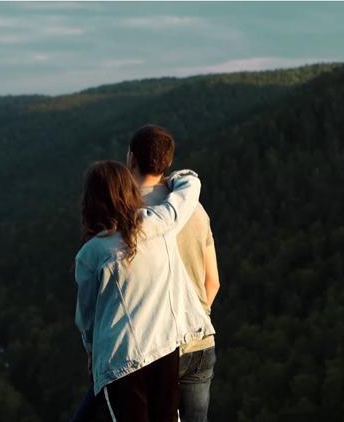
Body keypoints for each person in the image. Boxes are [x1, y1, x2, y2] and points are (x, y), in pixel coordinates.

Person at [74, 160, 215, 422]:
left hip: (121, 361)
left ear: (91, 202)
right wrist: (179, 176)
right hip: (165, 349)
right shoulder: (159, 224)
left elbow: (87, 319)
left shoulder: (90, 255)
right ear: (130, 191)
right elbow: (188, 193)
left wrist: (91, 351)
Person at [127, 125, 220, 422]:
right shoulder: (196, 209)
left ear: (131, 159)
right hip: (200, 341)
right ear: (167, 162)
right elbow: (212, 282)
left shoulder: (126, 216)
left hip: (152, 348)